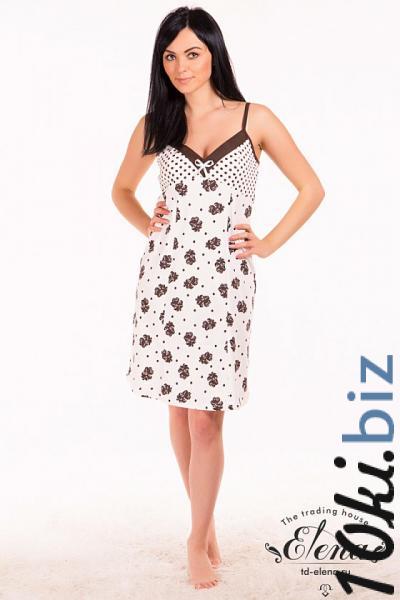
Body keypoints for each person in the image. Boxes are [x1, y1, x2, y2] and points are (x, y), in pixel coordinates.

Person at [111, 5, 325, 590]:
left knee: (207, 418)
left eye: (192, 53)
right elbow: (122, 190)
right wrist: (148, 224)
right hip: (167, 281)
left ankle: (194, 537)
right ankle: (202, 528)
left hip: (225, 285)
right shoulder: (157, 123)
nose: (181, 66)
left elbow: (311, 188)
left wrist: (267, 243)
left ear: (214, 53)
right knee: (179, 408)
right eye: (170, 56)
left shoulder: (256, 118)